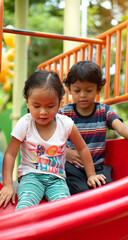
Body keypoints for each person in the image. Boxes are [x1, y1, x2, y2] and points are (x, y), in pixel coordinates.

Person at [0, 70, 106, 210]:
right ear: (27, 102)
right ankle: (26, 230)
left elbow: (82, 148)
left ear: (59, 103)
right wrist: (8, 184)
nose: (43, 111)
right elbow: (10, 154)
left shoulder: (66, 124)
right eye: (36, 106)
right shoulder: (25, 123)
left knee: (65, 207)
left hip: (57, 179)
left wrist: (91, 174)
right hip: (31, 176)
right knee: (26, 204)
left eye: (50, 106)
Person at [59, 60, 128, 195]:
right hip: (73, 167)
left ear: (98, 89)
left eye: (88, 90)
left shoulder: (103, 111)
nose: (82, 95)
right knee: (78, 190)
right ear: (69, 89)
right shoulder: (64, 113)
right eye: (77, 90)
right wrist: (65, 152)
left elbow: (119, 126)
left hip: (97, 168)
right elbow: (51, 136)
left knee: (109, 191)